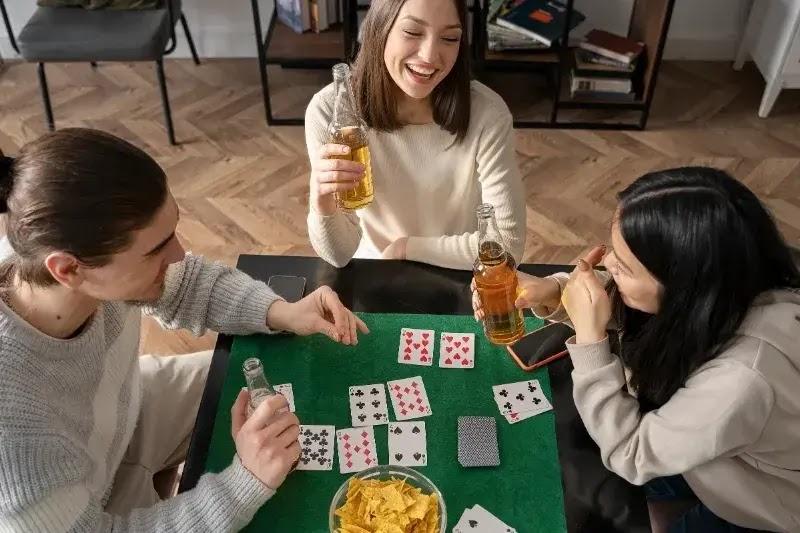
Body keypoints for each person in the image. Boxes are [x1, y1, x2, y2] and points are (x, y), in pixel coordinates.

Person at [0, 129, 368, 531]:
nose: (179, 255)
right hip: (86, 509)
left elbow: (187, 284)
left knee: (279, 369)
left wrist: (283, 312)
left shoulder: (55, 248)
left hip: (128, 406)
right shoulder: (14, 438)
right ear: (68, 269)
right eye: (156, 250)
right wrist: (246, 481)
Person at [473, 167, 800, 532]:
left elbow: (630, 454)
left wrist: (590, 340)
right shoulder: (729, 287)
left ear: (683, 286)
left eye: (625, 268)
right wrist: (556, 293)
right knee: (581, 456)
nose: (608, 263)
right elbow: (637, 308)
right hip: (708, 447)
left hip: (759, 502)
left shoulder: (740, 381)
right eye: (614, 249)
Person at [305, 0, 526, 270]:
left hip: (461, 269)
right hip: (374, 271)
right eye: (412, 32)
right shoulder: (331, 112)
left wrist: (406, 248)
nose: (430, 56)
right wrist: (322, 202)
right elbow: (338, 255)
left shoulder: (487, 113)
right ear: (379, 27)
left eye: (449, 38)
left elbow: (507, 243)